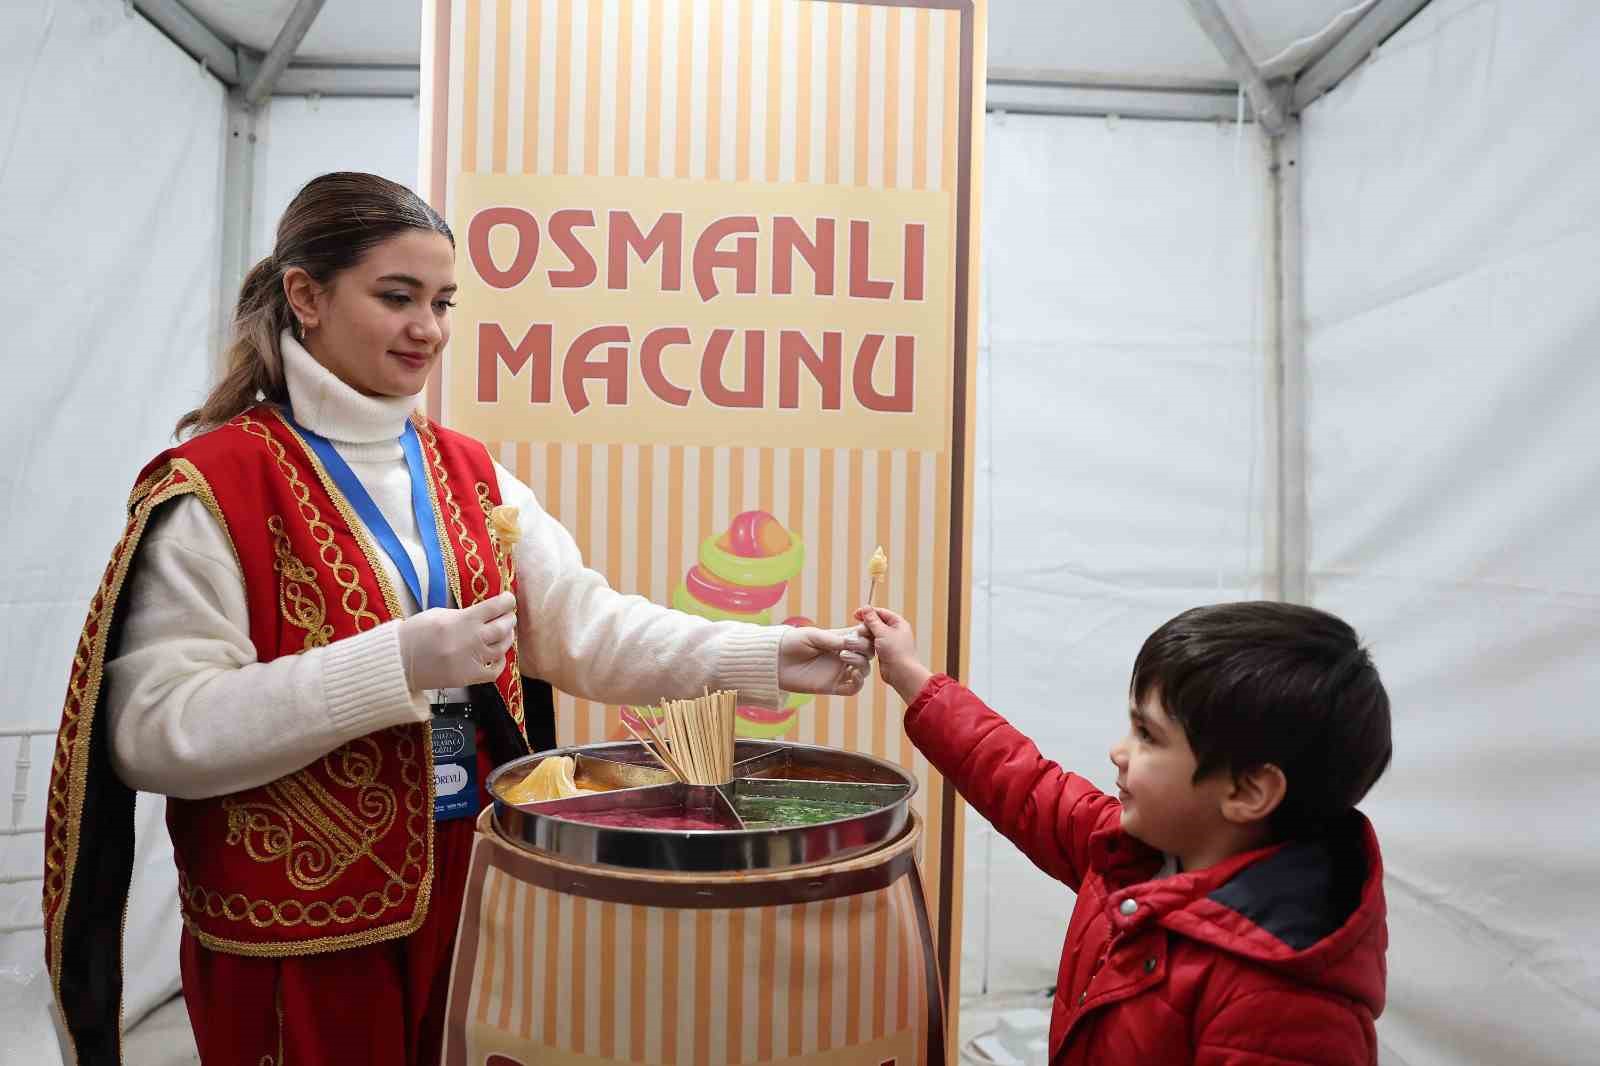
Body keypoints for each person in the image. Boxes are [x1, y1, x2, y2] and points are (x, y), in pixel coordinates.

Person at [41, 172, 870, 1066]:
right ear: (305, 297)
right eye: (396, 298)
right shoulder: (215, 487)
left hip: (468, 894)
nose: (428, 329)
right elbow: (152, 733)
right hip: (295, 942)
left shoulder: (470, 471)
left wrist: (773, 654)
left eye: (442, 302)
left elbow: (589, 629)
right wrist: (394, 662)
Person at [859, 601, 1392, 1065]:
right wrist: (910, 674)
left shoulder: (1288, 1011)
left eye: (1147, 735)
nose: (1119, 751)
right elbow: (1019, 781)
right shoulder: (1130, 851)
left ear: (1249, 791)